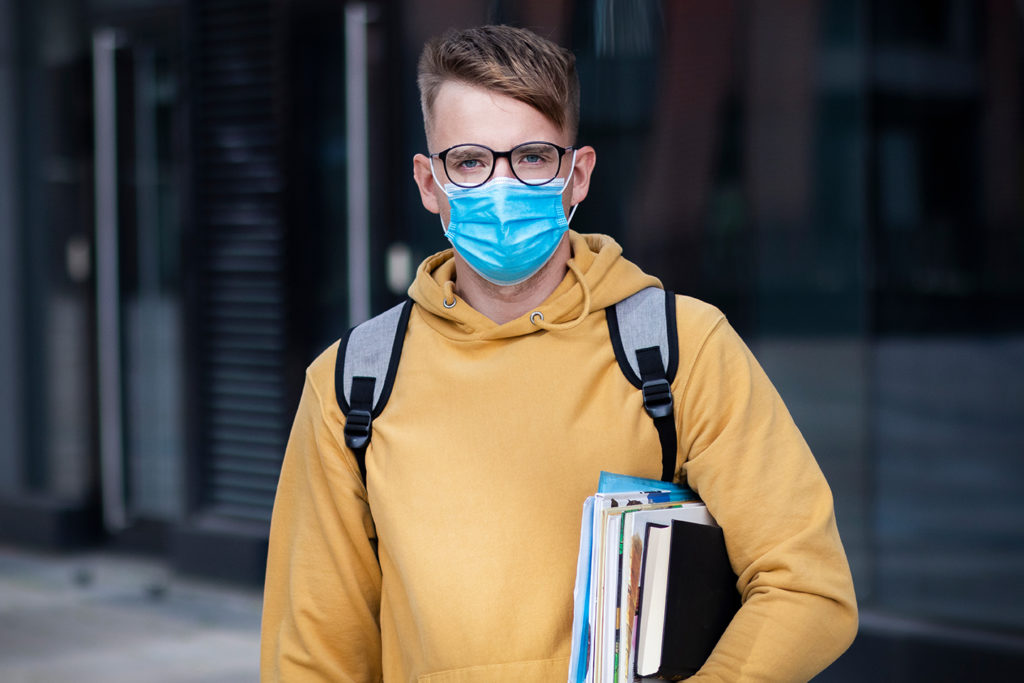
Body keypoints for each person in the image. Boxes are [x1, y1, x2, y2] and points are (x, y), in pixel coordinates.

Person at [261, 24, 857, 682]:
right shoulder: (353, 385)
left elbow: (807, 587)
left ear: (577, 175)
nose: (501, 187)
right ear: (429, 183)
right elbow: (313, 657)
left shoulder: (682, 351)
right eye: (469, 162)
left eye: (533, 158)